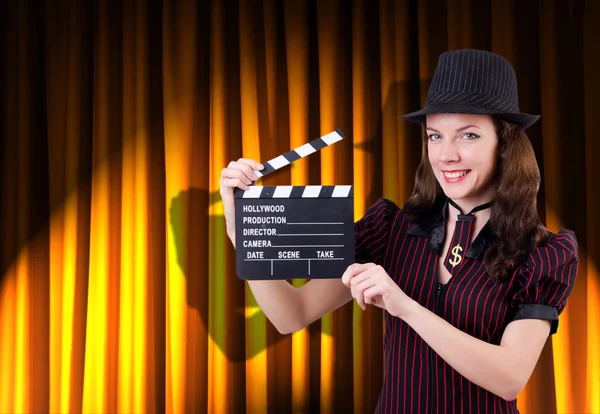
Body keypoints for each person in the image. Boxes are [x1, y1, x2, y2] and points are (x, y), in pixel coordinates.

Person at [219, 49, 578, 413]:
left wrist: (403, 305)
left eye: (468, 135)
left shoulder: (543, 253)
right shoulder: (391, 229)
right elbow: (291, 315)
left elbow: (509, 377)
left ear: (505, 145)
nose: (446, 155)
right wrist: (244, 230)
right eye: (435, 136)